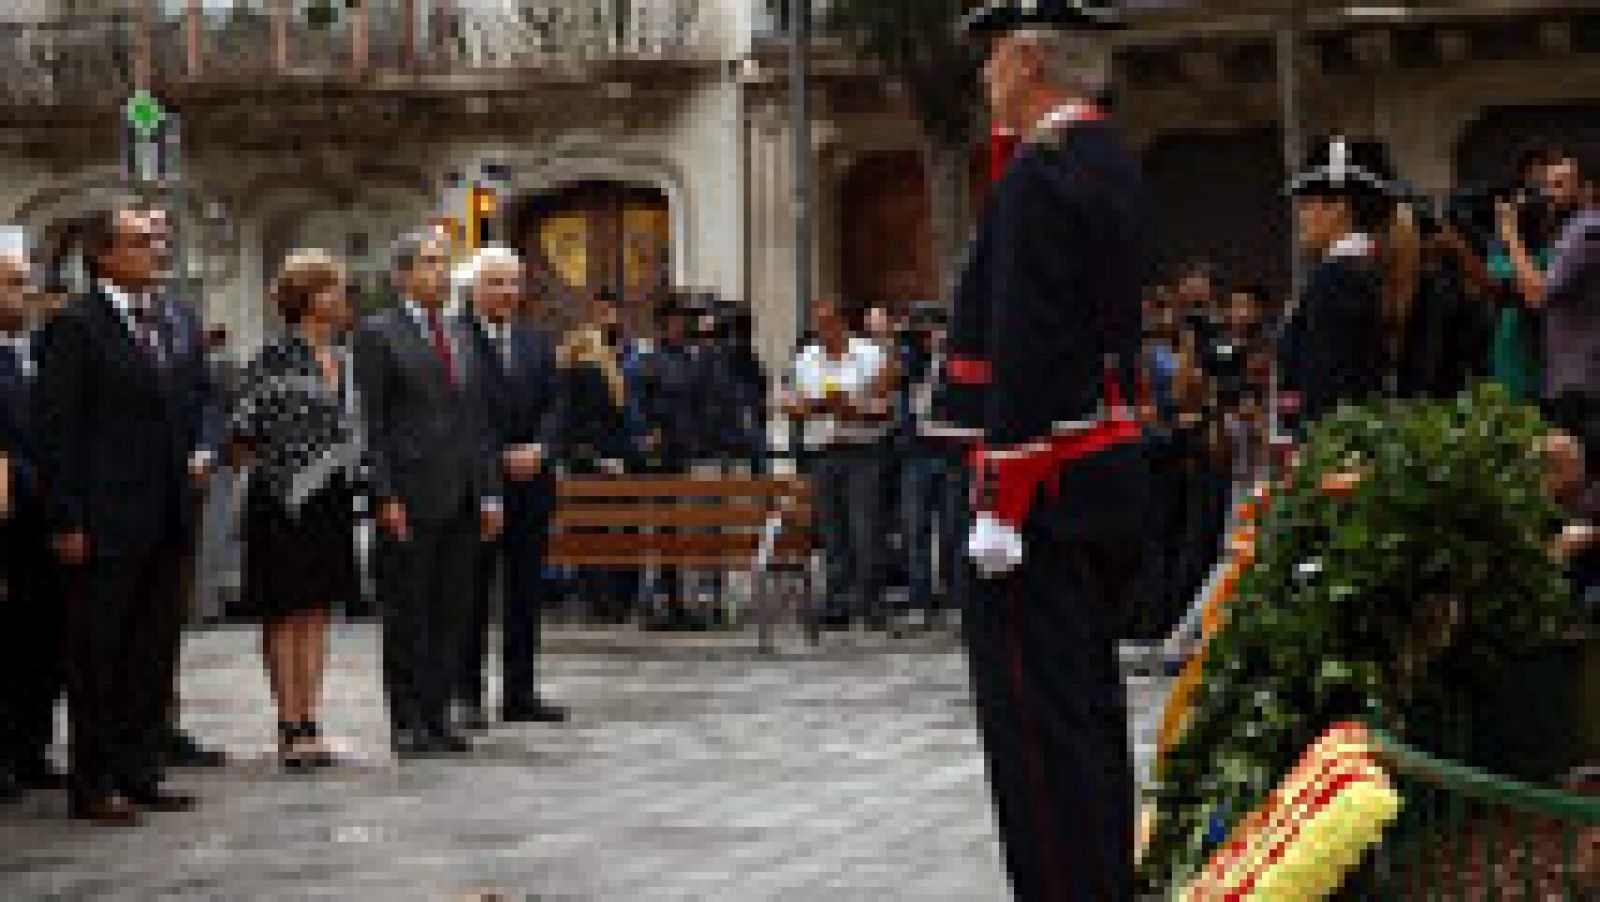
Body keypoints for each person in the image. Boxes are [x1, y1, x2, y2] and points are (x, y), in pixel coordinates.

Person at [942, 3, 1150, 896]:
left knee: (1034, 729)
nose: (984, 74)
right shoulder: (1105, 156)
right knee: (1086, 710)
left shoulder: (1041, 170)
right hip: (1099, 473)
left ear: (1029, 59)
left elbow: (1029, 340)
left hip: (1045, 491)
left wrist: (1003, 497)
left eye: (993, 55)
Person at [35, 203, 219, 823]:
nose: (156, 251)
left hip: (167, 513)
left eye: (155, 242)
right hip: (103, 521)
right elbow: (58, 430)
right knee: (99, 657)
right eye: (140, 242)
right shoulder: (76, 326)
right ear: (104, 256)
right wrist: (65, 519)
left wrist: (203, 447)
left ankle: (142, 770)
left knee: (151, 652)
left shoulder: (171, 319)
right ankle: (95, 783)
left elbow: (199, 395)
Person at [353, 231, 503, 759]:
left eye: (444, 263)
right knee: (408, 611)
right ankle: (408, 719)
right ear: (403, 275)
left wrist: (489, 494)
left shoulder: (459, 333)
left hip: (463, 492)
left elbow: (478, 420)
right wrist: (384, 494)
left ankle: (437, 715)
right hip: (409, 495)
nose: (441, 273)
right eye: (430, 263)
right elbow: (371, 422)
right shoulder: (379, 334)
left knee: (451, 609)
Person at [228, 250, 361, 770]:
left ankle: (312, 718)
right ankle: (289, 724)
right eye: (331, 288)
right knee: (284, 612)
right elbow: (243, 431)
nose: (342, 297)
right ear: (307, 298)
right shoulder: (273, 356)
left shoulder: (345, 358)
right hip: (281, 500)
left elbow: (355, 430)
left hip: (331, 499)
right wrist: (285, 471)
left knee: (317, 611)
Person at [453, 246, 568, 726]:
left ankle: (520, 692)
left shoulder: (536, 341)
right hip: (480, 482)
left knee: (525, 592)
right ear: (474, 288)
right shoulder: (455, 339)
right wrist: (498, 456)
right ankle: (467, 695)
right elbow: (462, 411)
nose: (507, 292)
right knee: (472, 592)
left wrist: (540, 448)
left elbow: (556, 404)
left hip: (532, 482)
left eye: (514, 283)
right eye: (496, 282)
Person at [0, 226, 66, 802]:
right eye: (14, 285)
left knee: (41, 641)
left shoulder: (36, 354)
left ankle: (31, 747)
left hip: (42, 522)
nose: (25, 294)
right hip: (8, 519)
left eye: (26, 284)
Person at [787, 298, 894, 631]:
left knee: (866, 529)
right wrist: (807, 407)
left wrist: (855, 408)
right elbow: (792, 400)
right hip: (823, 452)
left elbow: (885, 404)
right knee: (832, 530)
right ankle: (837, 602)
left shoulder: (869, 354)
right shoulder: (806, 358)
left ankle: (871, 603)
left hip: (862, 450)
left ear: (842, 323)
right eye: (818, 325)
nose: (823, 331)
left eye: (828, 324)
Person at [1278, 136, 1400, 426]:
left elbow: (1326, 384)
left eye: (1308, 205)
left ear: (1339, 208)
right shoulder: (1361, 271)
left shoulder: (1335, 281)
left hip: (1333, 441)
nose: (1301, 218)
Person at [545, 290, 649, 624]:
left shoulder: (620, 362)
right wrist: (599, 455)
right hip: (599, 460)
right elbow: (578, 419)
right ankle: (608, 602)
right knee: (598, 531)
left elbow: (608, 418)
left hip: (606, 459)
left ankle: (609, 602)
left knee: (605, 531)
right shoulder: (586, 372)